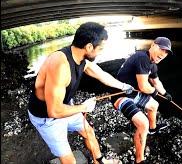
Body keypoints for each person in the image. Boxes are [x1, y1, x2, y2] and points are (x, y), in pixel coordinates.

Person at [27, 22, 133, 164]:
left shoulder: (81, 58)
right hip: (47, 117)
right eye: (100, 48)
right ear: (89, 47)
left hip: (65, 106)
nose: (102, 52)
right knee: (70, 161)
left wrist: (123, 86)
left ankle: (99, 162)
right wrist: (84, 107)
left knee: (88, 131)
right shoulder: (59, 64)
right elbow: (54, 111)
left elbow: (101, 74)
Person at [115, 37, 173, 163]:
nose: (163, 54)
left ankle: (152, 129)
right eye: (162, 49)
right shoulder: (142, 58)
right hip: (121, 96)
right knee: (143, 124)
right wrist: (155, 92)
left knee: (154, 105)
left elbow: (156, 82)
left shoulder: (152, 65)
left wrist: (165, 93)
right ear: (152, 45)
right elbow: (144, 87)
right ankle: (139, 160)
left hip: (134, 94)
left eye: (167, 52)